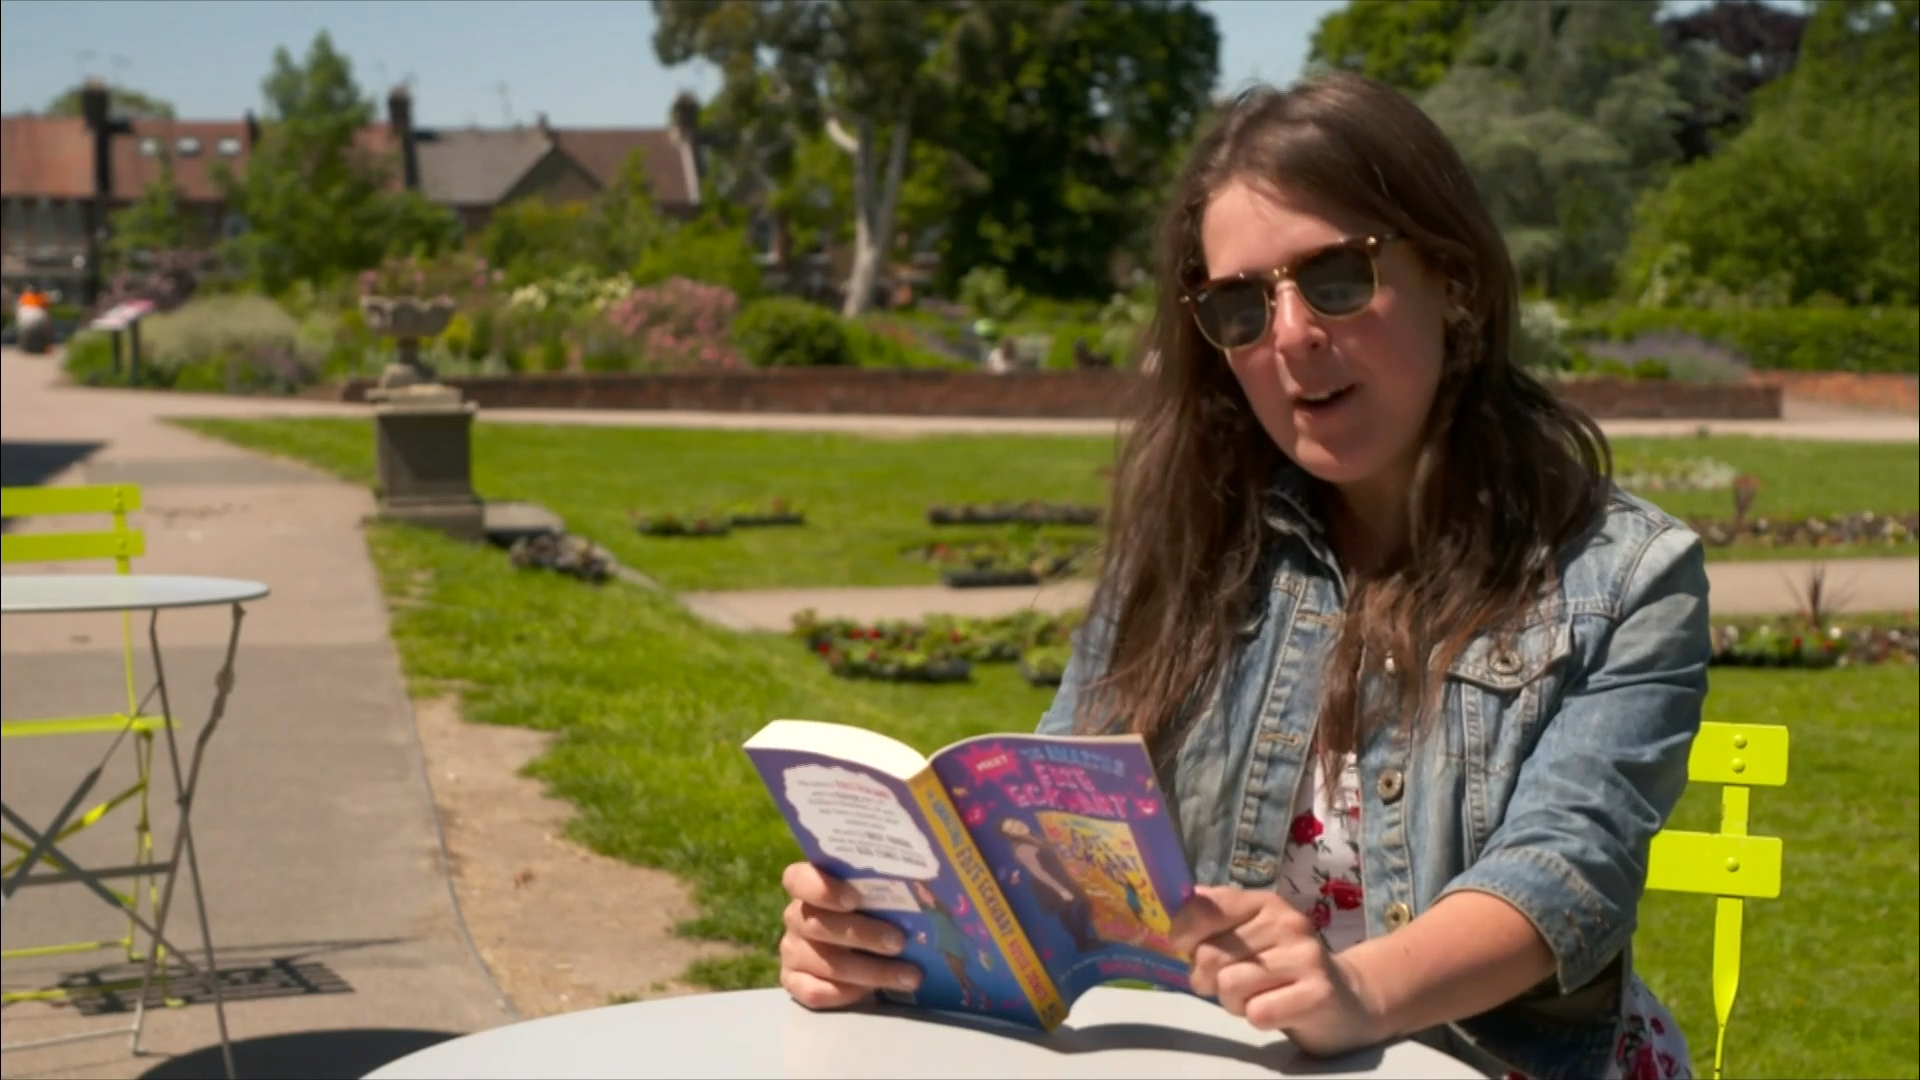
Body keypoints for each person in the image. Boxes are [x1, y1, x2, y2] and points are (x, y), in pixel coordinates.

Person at [776, 72, 1704, 1080]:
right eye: (1240, 305)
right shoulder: (1187, 545)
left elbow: (1565, 875)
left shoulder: (1625, 575)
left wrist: (1355, 992)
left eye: (1337, 277)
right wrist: (896, 939)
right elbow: (1054, 830)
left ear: (1454, 279)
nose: (1292, 333)